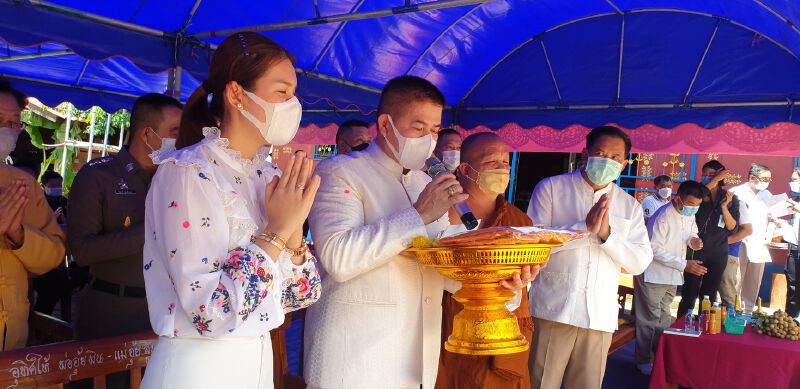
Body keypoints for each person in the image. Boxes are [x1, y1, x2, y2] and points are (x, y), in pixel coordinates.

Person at [304, 75, 533, 389]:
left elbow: (445, 268)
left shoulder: (423, 183)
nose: (429, 139)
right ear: (386, 125)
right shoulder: (341, 171)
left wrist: (501, 282)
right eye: (418, 127)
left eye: (435, 129)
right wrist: (419, 214)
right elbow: (338, 259)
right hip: (356, 359)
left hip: (416, 359)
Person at [140, 33, 321, 389]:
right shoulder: (187, 173)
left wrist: (294, 232)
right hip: (198, 369)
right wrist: (275, 232)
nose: (293, 105)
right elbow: (209, 313)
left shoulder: (267, 176)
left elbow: (299, 295)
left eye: (294, 94)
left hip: (255, 362)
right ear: (237, 93)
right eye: (282, 92)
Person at [526, 126, 653, 389]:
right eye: (600, 153)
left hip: (599, 315)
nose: (608, 161)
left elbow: (639, 262)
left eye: (616, 157)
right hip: (554, 309)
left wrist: (608, 235)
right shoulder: (551, 188)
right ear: (585, 154)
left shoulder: (629, 206)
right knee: (540, 382)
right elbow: (533, 245)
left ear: (625, 163)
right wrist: (582, 229)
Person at [67, 93, 182, 340]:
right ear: (146, 134)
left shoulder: (175, 178)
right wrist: (152, 230)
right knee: (104, 380)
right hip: (112, 309)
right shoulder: (98, 176)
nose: (180, 140)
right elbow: (82, 251)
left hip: (165, 311)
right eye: (174, 131)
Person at [435, 132, 540, 389]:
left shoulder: (519, 221)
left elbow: (523, 290)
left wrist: (521, 282)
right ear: (465, 169)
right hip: (442, 334)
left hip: (499, 342)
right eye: (492, 162)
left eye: (506, 162)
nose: (502, 168)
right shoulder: (437, 213)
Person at [0, 79, 65, 350]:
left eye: (13, 122)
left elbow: (55, 252)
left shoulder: (22, 185)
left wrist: (19, 235)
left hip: (9, 337)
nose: (7, 130)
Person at [634, 180, 705, 375]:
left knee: (664, 319)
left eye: (697, 205)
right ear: (678, 198)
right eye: (690, 205)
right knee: (648, 319)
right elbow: (654, 249)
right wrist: (685, 264)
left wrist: (694, 241)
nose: (693, 209)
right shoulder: (662, 216)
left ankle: (659, 355)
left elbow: (691, 232)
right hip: (653, 274)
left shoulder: (688, 214)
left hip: (672, 276)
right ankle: (643, 360)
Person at [676, 161, 740, 318]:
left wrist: (724, 207)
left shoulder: (730, 197)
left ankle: (705, 330)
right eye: (704, 174)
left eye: (711, 175)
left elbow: (733, 227)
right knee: (689, 293)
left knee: (710, 295)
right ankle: (681, 328)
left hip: (718, 252)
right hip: (695, 249)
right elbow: (693, 201)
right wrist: (713, 181)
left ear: (722, 176)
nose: (707, 177)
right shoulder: (697, 193)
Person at [729, 163, 773, 312]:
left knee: (754, 280)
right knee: (735, 277)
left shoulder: (767, 195)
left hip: (760, 244)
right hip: (740, 242)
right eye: (765, 178)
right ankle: (730, 309)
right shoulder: (736, 192)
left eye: (769, 179)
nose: (767, 182)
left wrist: (772, 230)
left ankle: (747, 311)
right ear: (752, 178)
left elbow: (772, 216)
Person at [31, 170, 72, 318]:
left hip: (61, 254)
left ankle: (65, 320)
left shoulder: (65, 202)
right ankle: (41, 318)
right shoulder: (38, 202)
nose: (56, 188)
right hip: (40, 255)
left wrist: (62, 221)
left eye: (59, 185)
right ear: (43, 186)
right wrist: (52, 219)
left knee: (69, 280)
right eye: (52, 185)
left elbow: (71, 227)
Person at [786, 168, 800, 319]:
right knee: (792, 284)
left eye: (795, 180)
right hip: (794, 247)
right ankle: (790, 318)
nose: (793, 183)